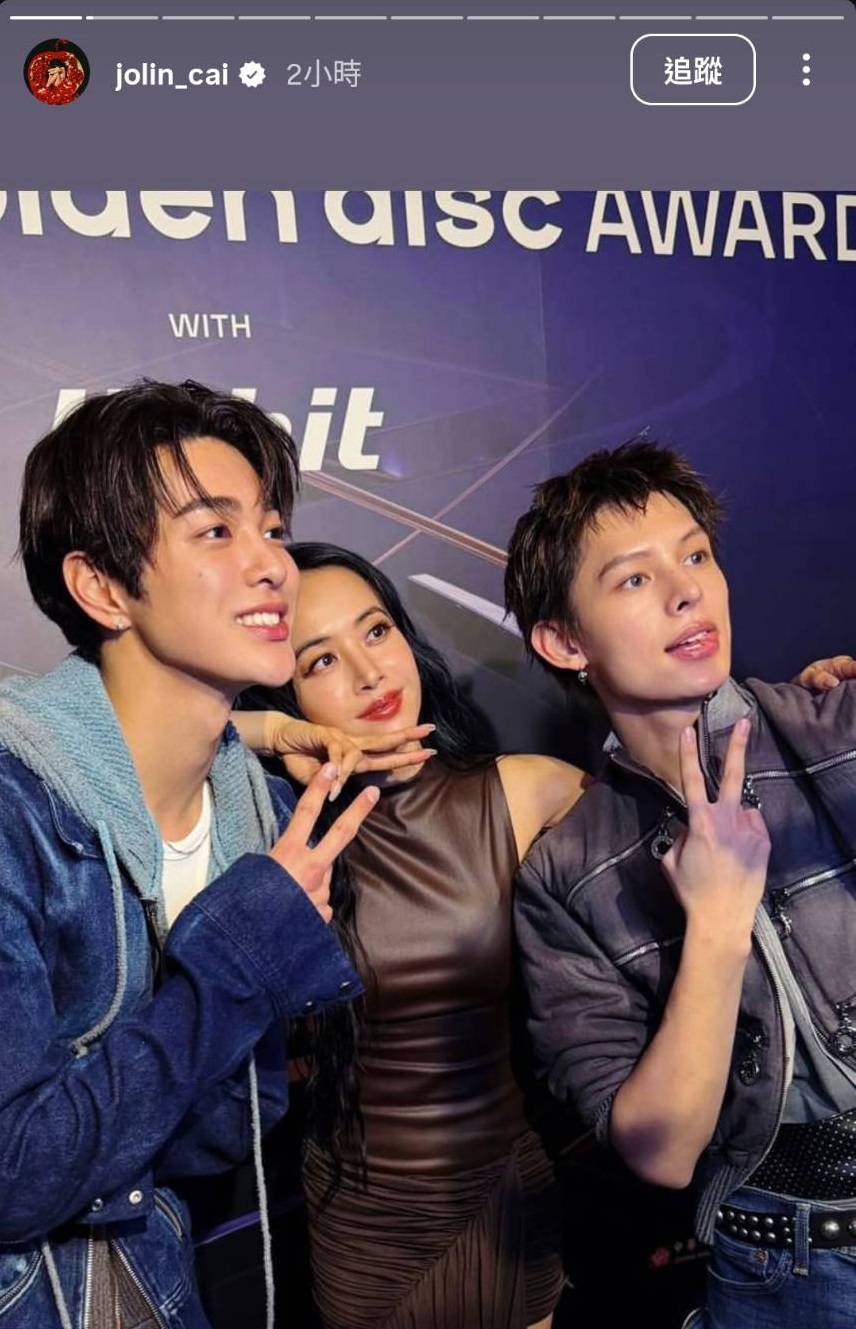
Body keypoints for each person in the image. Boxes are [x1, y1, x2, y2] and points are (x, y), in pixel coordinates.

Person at [0, 380, 399, 1329]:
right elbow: (13, 1175)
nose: (273, 565)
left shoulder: (255, 814)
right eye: (216, 532)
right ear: (101, 586)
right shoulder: (18, 809)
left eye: (272, 528)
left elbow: (228, 1128)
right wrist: (242, 954)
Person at [504, 439, 856, 1329]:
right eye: (633, 578)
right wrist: (717, 926)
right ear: (564, 640)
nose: (685, 590)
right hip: (786, 1270)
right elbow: (661, 1150)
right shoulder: (564, 875)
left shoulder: (837, 729)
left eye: (696, 556)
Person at [237, 541, 588, 1329]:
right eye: (321, 660)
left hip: (501, 1201)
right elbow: (123, 741)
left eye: (376, 630)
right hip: (359, 1223)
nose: (369, 673)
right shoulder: (272, 832)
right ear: (285, 688)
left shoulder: (524, 790)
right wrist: (271, 734)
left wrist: (789, 714)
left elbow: (683, 813)